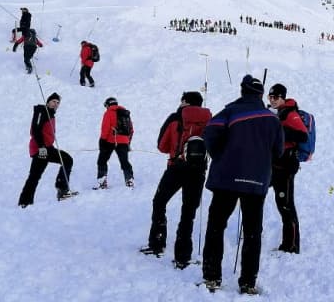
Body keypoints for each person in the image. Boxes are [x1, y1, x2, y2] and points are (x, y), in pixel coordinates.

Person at [200, 75, 283, 294]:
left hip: (226, 179)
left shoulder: (229, 112)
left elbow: (209, 132)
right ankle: (247, 282)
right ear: (260, 94)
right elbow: (279, 151)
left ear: (242, 91)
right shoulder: (273, 119)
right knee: (253, 232)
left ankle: (211, 277)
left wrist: (219, 155)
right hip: (256, 181)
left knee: (216, 227)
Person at [140, 91, 212, 268]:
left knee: (159, 201)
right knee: (188, 212)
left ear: (184, 102)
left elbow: (162, 146)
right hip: (198, 172)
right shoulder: (209, 119)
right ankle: (183, 256)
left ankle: (157, 243)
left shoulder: (175, 117)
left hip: (176, 167)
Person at [267, 83, 308, 254]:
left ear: (283, 97)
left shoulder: (291, 114)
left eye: (275, 97)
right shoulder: (276, 113)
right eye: (270, 97)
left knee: (286, 204)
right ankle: (287, 243)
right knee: (279, 202)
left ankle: (291, 245)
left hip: (286, 167)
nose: (272, 100)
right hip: (275, 165)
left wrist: (280, 129)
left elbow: (303, 135)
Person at [18, 93, 76, 207]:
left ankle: (24, 202)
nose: (56, 104)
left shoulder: (51, 115)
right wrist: (42, 147)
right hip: (41, 148)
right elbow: (35, 130)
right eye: (54, 101)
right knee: (67, 159)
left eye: (58, 103)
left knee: (34, 176)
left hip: (46, 148)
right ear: (48, 101)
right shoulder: (41, 111)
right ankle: (62, 189)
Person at [95, 97, 135, 189]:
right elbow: (131, 130)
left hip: (110, 140)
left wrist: (102, 141)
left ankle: (102, 182)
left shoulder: (108, 112)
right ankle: (129, 180)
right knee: (124, 161)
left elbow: (105, 128)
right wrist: (127, 141)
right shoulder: (125, 113)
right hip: (124, 141)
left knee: (102, 160)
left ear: (108, 104)